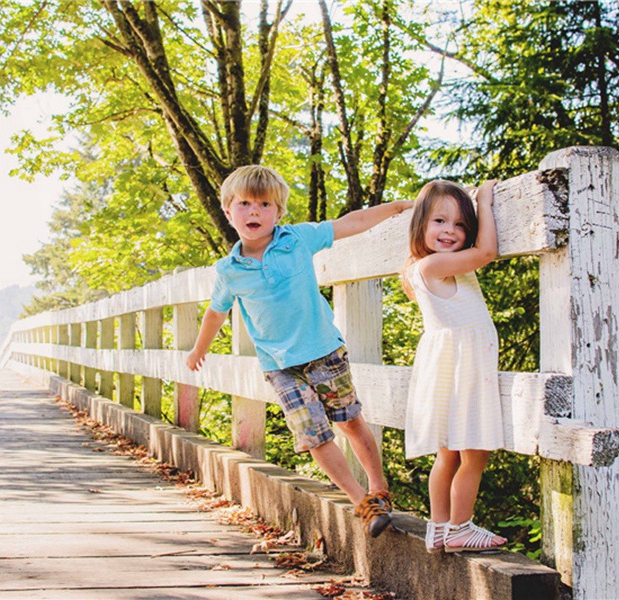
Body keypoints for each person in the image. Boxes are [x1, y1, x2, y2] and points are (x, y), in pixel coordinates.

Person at [186, 165, 412, 537]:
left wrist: (398, 206)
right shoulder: (229, 269)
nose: (254, 211)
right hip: (280, 366)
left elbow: (350, 223)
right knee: (314, 436)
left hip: (324, 351)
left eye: (264, 204)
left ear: (278, 212)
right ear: (228, 211)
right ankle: (362, 502)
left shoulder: (298, 239)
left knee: (350, 421)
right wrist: (198, 349)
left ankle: (379, 489)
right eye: (244, 204)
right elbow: (216, 311)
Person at [401, 179, 507, 553]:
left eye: (461, 224)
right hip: (463, 369)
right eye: (440, 222)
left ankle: (439, 528)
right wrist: (484, 200)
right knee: (475, 452)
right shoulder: (434, 265)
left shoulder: (422, 266)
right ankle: (461, 527)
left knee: (448, 452)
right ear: (421, 225)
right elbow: (488, 251)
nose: (450, 231)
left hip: (451, 366)